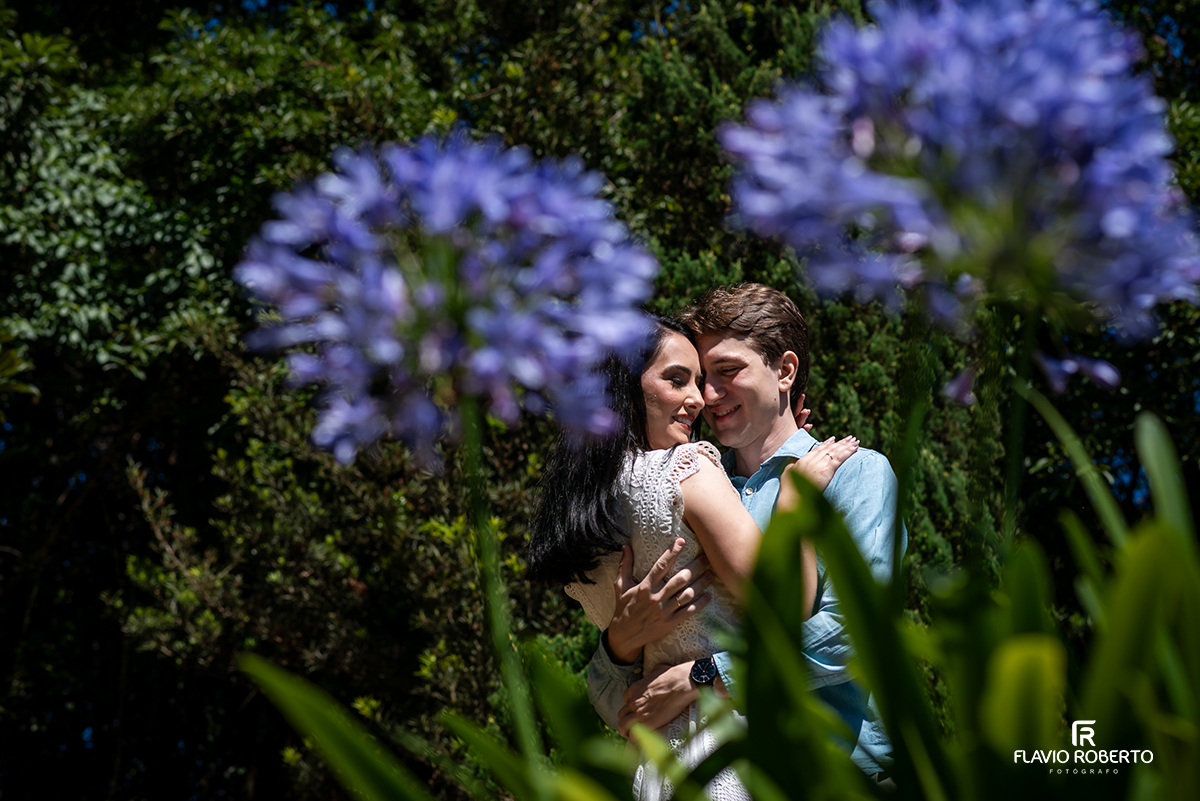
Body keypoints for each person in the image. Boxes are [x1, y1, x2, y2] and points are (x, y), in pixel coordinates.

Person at [528, 314, 858, 800]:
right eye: (677, 378)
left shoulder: (596, 504)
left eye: (699, 381)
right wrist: (793, 501)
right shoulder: (686, 471)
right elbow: (791, 604)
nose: (700, 398)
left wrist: (620, 640)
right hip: (727, 751)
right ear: (623, 387)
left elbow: (617, 697)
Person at [587, 284, 904, 781]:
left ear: (785, 371)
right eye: (698, 377)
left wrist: (707, 678)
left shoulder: (855, 474)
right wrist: (620, 645)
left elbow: (851, 635)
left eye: (727, 372)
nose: (707, 396)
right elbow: (619, 704)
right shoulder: (685, 487)